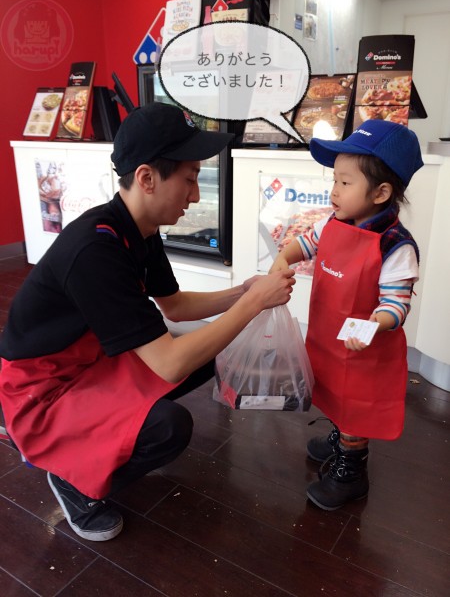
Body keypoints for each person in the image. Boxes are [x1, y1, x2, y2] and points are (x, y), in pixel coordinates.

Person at [0, 102, 295, 541]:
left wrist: (244, 291)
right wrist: (250, 307)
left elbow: (174, 306)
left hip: (86, 362)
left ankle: (93, 448)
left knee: (208, 351)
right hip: (40, 391)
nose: (195, 195)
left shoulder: (138, 228)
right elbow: (169, 363)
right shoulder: (95, 250)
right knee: (170, 426)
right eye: (190, 178)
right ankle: (73, 480)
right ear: (146, 178)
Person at [270, 119, 423, 511]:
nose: (333, 190)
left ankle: (351, 470)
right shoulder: (331, 223)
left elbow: (396, 302)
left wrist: (376, 322)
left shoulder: (396, 245)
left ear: (381, 192)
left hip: (365, 350)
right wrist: (282, 261)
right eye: (334, 180)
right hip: (328, 337)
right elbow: (302, 246)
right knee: (333, 393)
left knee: (356, 406)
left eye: (344, 182)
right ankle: (341, 437)